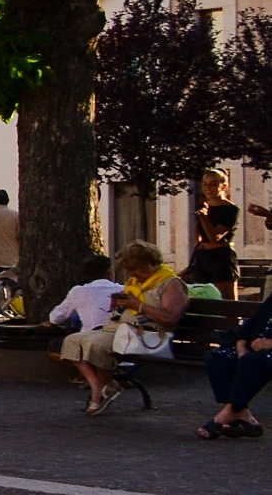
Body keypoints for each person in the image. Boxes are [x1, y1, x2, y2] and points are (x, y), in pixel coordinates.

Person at [61, 241, 186, 416]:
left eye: (135, 268)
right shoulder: (133, 282)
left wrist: (139, 306)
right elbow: (128, 308)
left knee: (96, 344)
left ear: (150, 262)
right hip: (121, 328)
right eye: (129, 270)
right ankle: (100, 385)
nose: (133, 274)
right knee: (72, 340)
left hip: (146, 334)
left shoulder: (170, 283)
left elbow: (170, 318)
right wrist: (118, 306)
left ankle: (103, 388)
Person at [201, 293, 272, 439]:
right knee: (219, 358)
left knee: (253, 361)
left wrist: (269, 343)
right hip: (256, 348)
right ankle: (243, 415)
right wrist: (241, 346)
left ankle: (223, 416)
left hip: (266, 352)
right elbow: (252, 323)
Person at [186, 170, 241, 298]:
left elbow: (214, 238)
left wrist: (204, 217)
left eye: (213, 184)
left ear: (224, 186)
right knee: (205, 299)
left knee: (227, 303)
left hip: (220, 258)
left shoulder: (230, 209)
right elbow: (200, 237)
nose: (207, 188)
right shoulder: (203, 207)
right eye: (205, 184)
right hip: (203, 258)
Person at [47, 255, 120, 334]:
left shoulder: (77, 291)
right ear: (109, 273)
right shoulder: (123, 290)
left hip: (88, 339)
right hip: (118, 338)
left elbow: (56, 317)